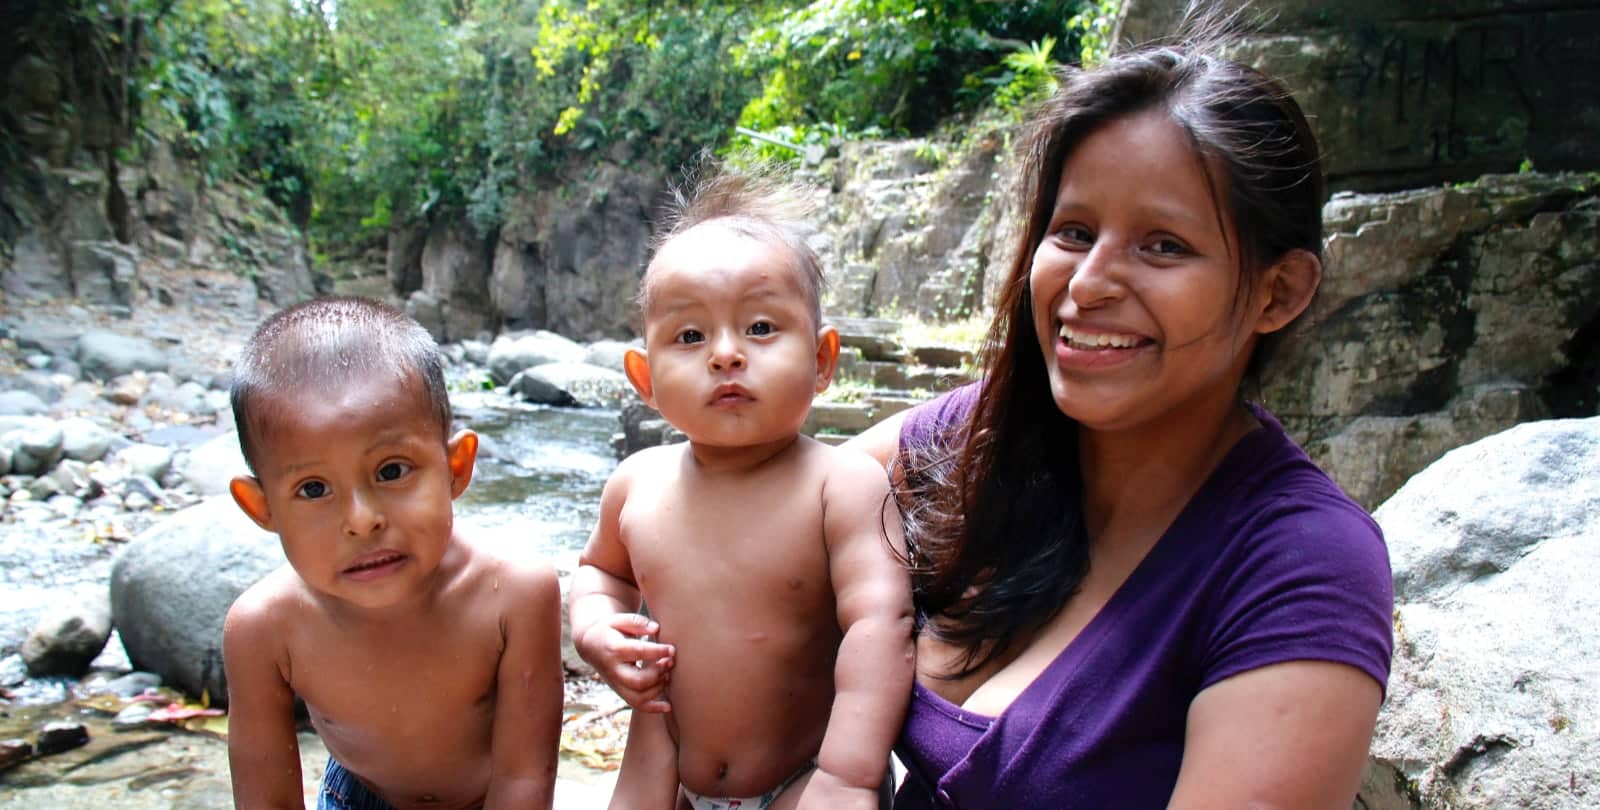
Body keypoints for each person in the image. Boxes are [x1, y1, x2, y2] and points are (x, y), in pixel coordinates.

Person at [841, 25, 1396, 810]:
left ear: (1278, 293)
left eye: (1163, 245)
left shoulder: (1301, 567)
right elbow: (772, 516)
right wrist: (603, 593)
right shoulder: (984, 437)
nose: (1089, 283)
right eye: (1073, 232)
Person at [568, 167, 914, 810]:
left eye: (759, 328)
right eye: (690, 336)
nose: (725, 355)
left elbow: (881, 624)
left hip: (808, 774)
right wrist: (595, 628)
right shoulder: (636, 483)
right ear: (644, 378)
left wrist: (849, 776)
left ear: (821, 360)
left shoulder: (841, 485)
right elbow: (599, 573)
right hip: (663, 767)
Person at [221, 296, 563, 810]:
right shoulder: (264, 629)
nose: (362, 520)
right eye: (314, 489)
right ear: (261, 506)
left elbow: (524, 780)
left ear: (455, 468)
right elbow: (267, 800)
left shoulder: (515, 596)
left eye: (391, 471)